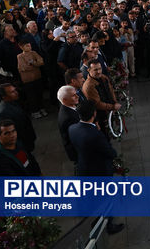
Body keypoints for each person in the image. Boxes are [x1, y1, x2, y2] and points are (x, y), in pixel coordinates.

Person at [68, 100, 124, 235]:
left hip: (84, 168)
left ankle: (96, 218)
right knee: (106, 199)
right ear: (93, 114)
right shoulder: (95, 135)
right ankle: (108, 225)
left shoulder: (72, 129)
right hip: (100, 172)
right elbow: (111, 153)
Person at [82, 59, 120, 138]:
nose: (99, 71)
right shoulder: (89, 86)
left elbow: (111, 90)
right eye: (95, 70)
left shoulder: (103, 77)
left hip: (108, 110)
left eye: (100, 69)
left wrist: (115, 102)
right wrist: (113, 107)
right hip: (100, 115)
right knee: (104, 134)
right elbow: (97, 104)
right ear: (89, 70)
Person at [0, 84, 37, 153]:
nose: (16, 93)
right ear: (4, 97)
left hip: (26, 140)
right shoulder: (4, 112)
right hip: (20, 146)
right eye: (12, 92)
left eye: (15, 90)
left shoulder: (12, 102)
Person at [17, 39, 46, 119]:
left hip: (37, 77)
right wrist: (35, 64)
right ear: (22, 47)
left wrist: (32, 63)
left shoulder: (34, 53)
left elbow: (41, 61)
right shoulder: (20, 56)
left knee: (39, 94)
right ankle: (34, 111)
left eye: (30, 45)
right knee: (31, 96)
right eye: (27, 46)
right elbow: (23, 67)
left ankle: (41, 108)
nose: (29, 47)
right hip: (28, 80)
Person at [57, 85, 80, 164]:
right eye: (74, 95)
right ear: (64, 100)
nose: (77, 96)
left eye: (76, 94)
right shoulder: (68, 117)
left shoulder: (68, 106)